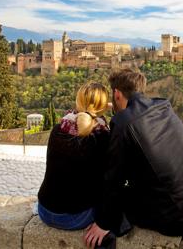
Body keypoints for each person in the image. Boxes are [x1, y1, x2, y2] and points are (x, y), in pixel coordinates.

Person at [84, 69, 183, 245]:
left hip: (182, 218)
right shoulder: (163, 106)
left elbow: (114, 178)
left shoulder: (123, 123)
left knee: (124, 194)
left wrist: (104, 222)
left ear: (116, 94)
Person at [37, 82, 115, 248]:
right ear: (103, 106)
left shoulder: (58, 128)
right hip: (74, 217)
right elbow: (110, 182)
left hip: (44, 210)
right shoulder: (102, 137)